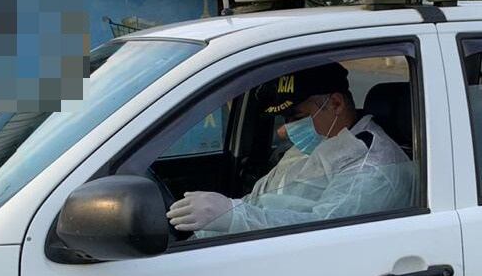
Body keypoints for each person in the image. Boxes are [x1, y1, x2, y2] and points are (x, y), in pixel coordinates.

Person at [166, 62, 413, 236]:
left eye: (297, 116)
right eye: (285, 118)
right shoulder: (323, 142)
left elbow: (325, 234)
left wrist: (234, 217)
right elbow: (262, 199)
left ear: (335, 104)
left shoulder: (374, 169)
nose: (285, 130)